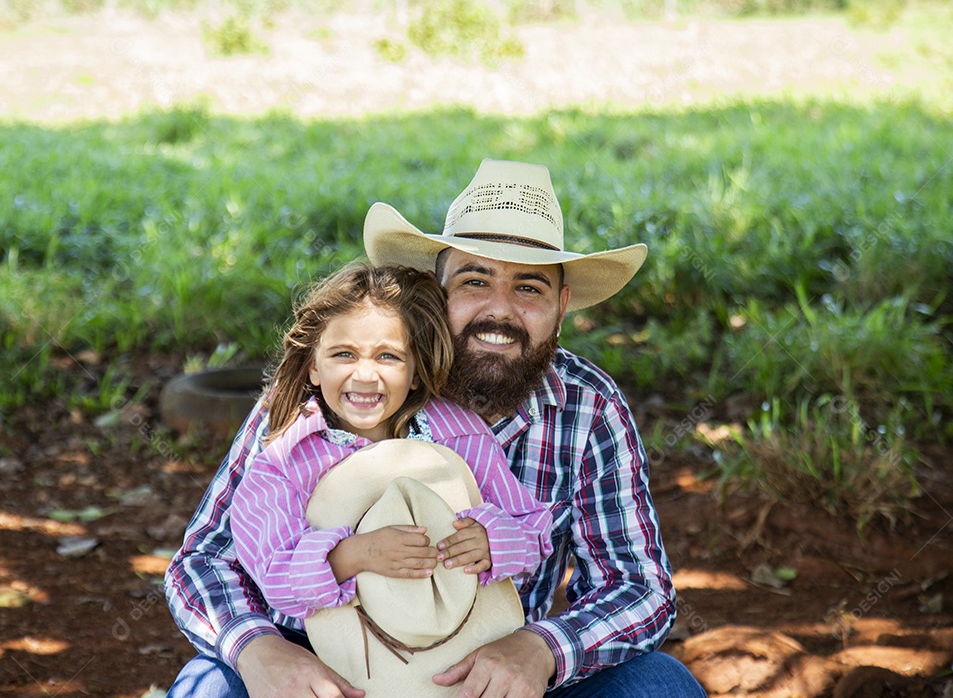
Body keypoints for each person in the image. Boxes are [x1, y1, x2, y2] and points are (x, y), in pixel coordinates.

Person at [164, 159, 706, 698]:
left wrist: (543, 649)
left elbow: (638, 587)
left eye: (530, 288)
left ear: (561, 306)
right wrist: (259, 650)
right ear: (434, 289)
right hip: (326, 673)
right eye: (475, 280)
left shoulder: (587, 407)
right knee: (210, 685)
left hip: (492, 678)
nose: (501, 311)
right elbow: (202, 562)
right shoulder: (333, 390)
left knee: (660, 686)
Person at [225, 262, 552, 635]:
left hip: (450, 644)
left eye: (388, 356)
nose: (365, 375)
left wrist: (493, 542)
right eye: (343, 355)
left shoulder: (460, 436)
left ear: (415, 372)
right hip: (327, 648)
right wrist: (356, 555)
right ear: (313, 368)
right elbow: (273, 574)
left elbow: (533, 530)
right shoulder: (287, 460)